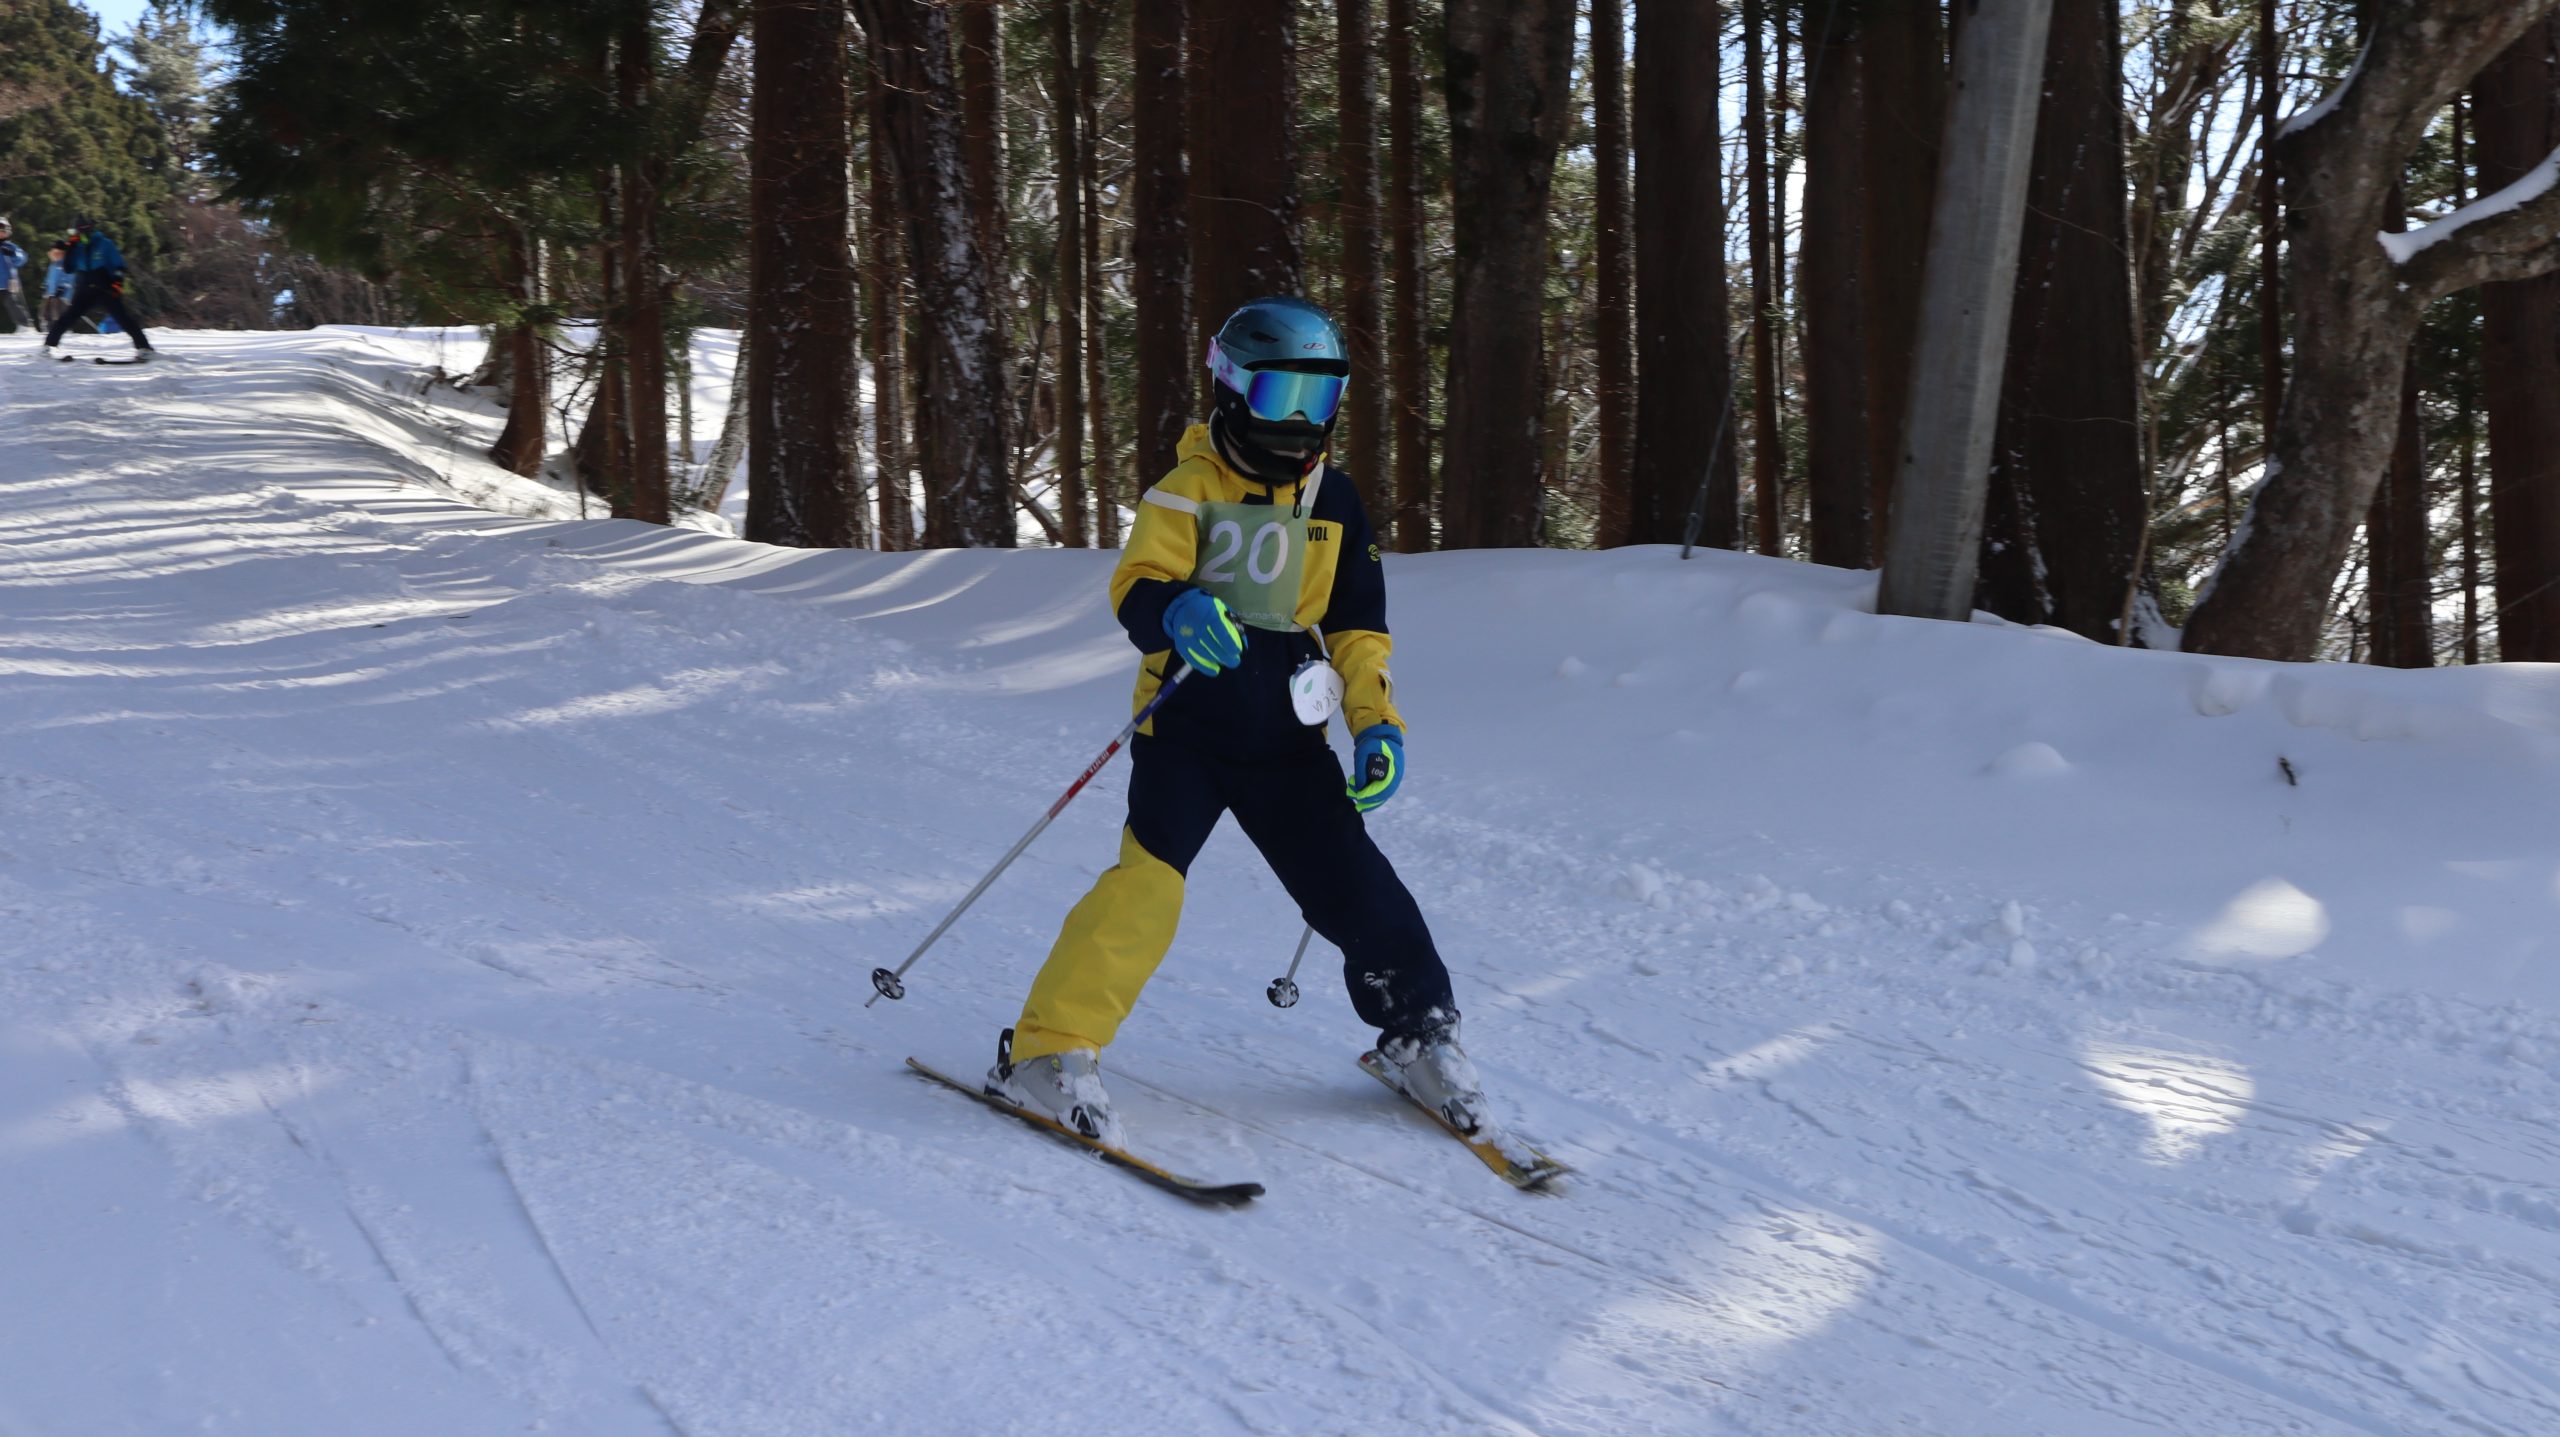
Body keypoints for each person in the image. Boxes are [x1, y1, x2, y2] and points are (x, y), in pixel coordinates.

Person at [986, 295, 1485, 1147]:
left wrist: (1377, 724)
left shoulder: (1336, 500)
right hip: (1187, 729)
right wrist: (1177, 611)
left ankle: (1417, 1031)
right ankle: (1048, 1046)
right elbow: (1136, 584)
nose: (1297, 420)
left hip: (1289, 738)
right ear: (1229, 389)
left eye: (1317, 398)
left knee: (1356, 885)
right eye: (1277, 396)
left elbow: (1359, 627)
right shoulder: (1188, 489)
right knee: (1147, 889)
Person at [42, 217, 152, 359]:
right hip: (84, 288)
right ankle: (49, 345)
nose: (76, 235)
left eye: (78, 232)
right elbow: (68, 269)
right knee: (68, 316)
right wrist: (70, 249)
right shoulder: (76, 246)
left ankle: (144, 347)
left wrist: (117, 284)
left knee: (122, 317)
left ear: (87, 230)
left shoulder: (105, 244)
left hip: (105, 288)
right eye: (74, 232)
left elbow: (119, 265)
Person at [0, 219, 29, 332]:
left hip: (8, 282)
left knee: (12, 302)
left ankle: (24, 325)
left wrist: (12, 254)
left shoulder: (11, 247)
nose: (1, 233)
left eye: (3, 231)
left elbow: (21, 259)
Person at [42, 243, 73, 328]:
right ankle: (48, 326)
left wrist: (63, 287)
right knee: (46, 311)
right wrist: (45, 286)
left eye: (58, 253)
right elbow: (49, 278)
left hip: (63, 294)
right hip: (51, 293)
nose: (55, 256)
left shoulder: (66, 264)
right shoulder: (53, 265)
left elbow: (70, 278)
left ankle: (63, 327)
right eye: (53, 253)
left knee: (60, 311)